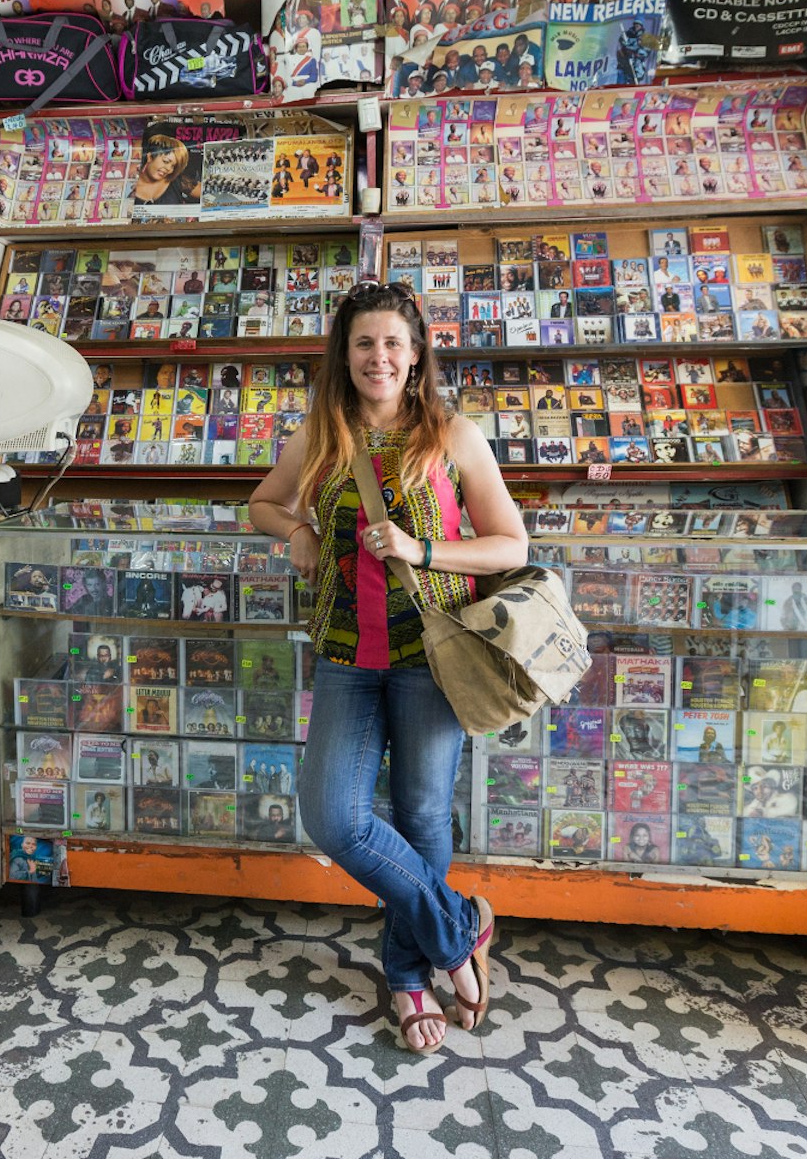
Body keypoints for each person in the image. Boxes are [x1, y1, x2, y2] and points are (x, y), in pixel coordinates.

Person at [248, 280, 524, 1055]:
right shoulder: (320, 437)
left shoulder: (452, 436)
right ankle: (460, 928)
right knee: (334, 815)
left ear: (416, 354)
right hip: (345, 653)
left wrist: (422, 548)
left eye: (393, 343)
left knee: (423, 817)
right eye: (364, 343)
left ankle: (408, 977)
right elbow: (260, 504)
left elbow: (512, 545)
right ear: (345, 353)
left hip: (432, 657)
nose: (379, 357)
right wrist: (296, 528)